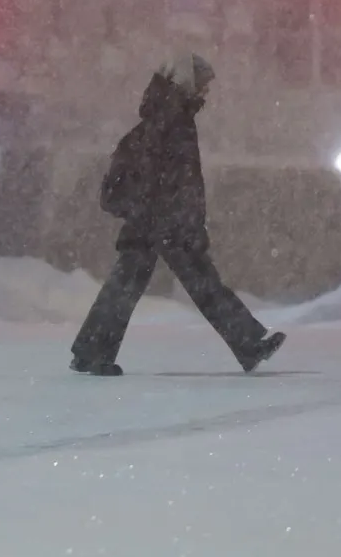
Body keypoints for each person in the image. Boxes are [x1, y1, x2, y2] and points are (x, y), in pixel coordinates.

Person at [70, 53, 285, 376]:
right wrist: (183, 220)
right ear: (187, 82)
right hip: (166, 223)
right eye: (203, 84)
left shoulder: (165, 114)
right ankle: (248, 344)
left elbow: (164, 175)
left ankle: (90, 352)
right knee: (200, 284)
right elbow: (176, 179)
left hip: (154, 220)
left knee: (130, 286)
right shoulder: (174, 119)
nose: (206, 91)